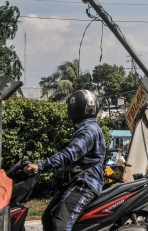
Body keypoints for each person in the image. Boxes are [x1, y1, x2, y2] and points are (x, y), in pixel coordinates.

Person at [23, 90, 105, 231]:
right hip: (76, 181)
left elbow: (70, 154)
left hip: (85, 184)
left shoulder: (88, 130)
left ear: (74, 108)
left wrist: (40, 166)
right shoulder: (88, 127)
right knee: (48, 218)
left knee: (61, 224)